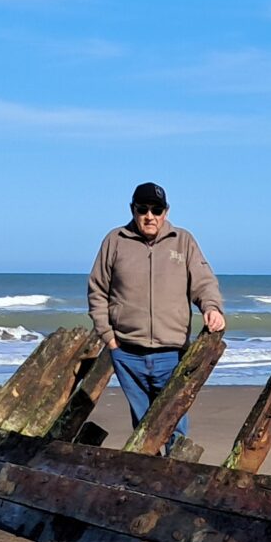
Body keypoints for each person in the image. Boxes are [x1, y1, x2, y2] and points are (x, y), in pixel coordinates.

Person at [87, 182, 225, 435]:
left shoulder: (183, 241)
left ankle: (176, 471)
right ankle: (146, 471)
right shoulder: (115, 240)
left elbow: (204, 283)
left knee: (174, 422)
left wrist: (212, 308)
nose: (150, 216)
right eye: (143, 209)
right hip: (126, 353)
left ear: (166, 212)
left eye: (156, 210)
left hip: (171, 353)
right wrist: (109, 339)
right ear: (133, 210)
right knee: (142, 426)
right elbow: (97, 290)